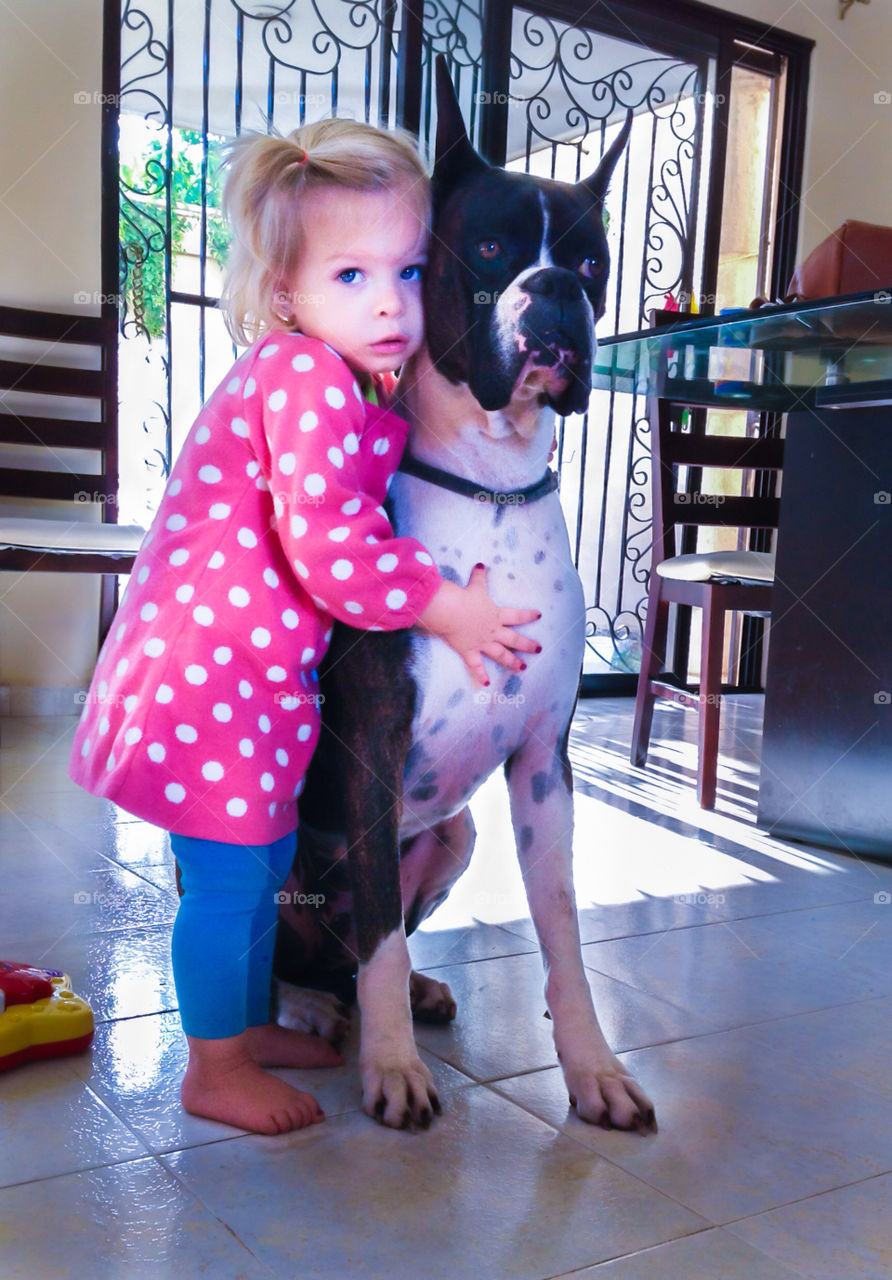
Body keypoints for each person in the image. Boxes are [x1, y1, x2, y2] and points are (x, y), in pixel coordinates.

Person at [69, 118, 541, 1136]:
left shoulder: (338, 377)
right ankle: (214, 1068)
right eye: (351, 275)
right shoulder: (303, 378)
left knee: (260, 860)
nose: (390, 302)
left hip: (250, 677)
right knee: (228, 877)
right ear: (285, 292)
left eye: (409, 271)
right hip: (206, 675)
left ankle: (244, 1023)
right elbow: (331, 548)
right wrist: (445, 603)